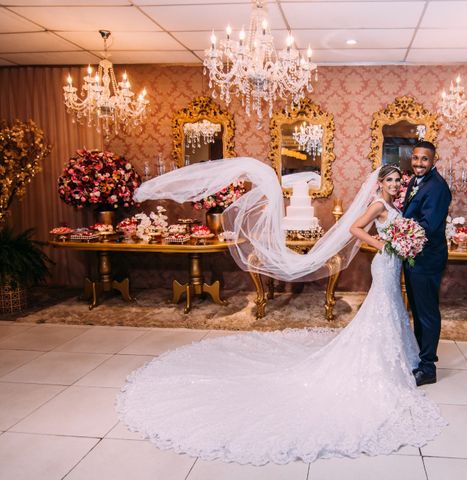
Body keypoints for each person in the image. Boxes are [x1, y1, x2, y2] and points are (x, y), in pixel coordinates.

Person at [118, 161, 445, 465]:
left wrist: (400, 243)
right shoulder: (377, 204)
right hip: (385, 263)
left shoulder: (395, 207)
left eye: (398, 181)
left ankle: (399, 356)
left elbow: (398, 229)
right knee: (384, 307)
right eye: (391, 180)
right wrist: (382, 244)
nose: (396, 185)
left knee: (391, 309)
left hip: (394, 263)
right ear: (381, 183)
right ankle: (380, 361)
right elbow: (355, 230)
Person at [402, 141, 452, 386]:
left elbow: (428, 226)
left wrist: (396, 231)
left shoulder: (438, 187)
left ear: (433, 160)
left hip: (427, 259)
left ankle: (428, 367)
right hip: (414, 258)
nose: (419, 163)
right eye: (416, 158)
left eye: (424, 159)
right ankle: (420, 357)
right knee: (418, 311)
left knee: (427, 312)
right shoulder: (414, 181)